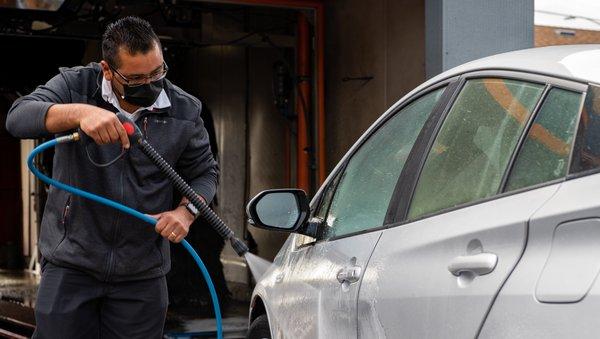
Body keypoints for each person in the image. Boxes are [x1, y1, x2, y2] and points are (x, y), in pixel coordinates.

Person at [6, 16, 219, 338]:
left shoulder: (184, 110)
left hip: (142, 274)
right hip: (71, 264)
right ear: (107, 70)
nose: (150, 84)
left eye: (157, 73)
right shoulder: (76, 85)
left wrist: (186, 213)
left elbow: (205, 173)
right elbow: (18, 118)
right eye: (136, 78)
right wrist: (80, 112)